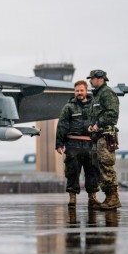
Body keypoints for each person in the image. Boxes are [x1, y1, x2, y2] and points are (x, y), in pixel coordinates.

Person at [56, 80, 100, 208]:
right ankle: (72, 198)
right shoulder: (68, 107)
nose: (79, 93)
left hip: (90, 145)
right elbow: (62, 126)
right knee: (72, 172)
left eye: (81, 90)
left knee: (92, 172)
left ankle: (92, 198)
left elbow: (101, 121)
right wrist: (59, 144)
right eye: (77, 91)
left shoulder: (95, 106)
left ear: (86, 91)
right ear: (74, 92)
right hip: (73, 145)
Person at [86, 69, 121, 210]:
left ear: (101, 79)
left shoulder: (107, 93)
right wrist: (91, 126)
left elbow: (112, 114)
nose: (90, 81)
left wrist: (97, 124)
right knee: (99, 166)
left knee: (106, 164)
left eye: (92, 78)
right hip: (97, 137)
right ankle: (109, 197)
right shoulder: (97, 95)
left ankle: (113, 198)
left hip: (105, 136)